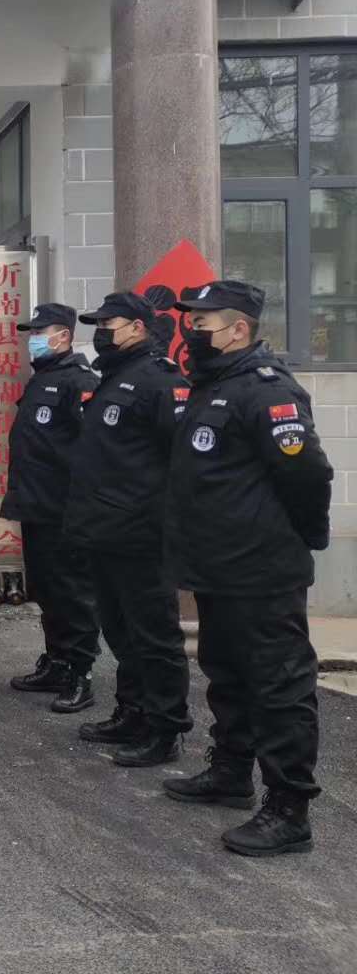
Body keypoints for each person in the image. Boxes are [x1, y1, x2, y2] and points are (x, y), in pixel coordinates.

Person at [162, 281, 332, 857]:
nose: (191, 333)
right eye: (190, 323)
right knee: (228, 673)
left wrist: (305, 536)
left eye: (202, 324)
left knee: (279, 686)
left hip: (261, 568)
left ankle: (289, 809)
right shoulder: (213, 385)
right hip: (218, 565)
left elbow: (308, 474)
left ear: (238, 330)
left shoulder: (267, 390)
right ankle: (231, 771)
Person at [64, 292, 193, 766]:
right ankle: (133, 711)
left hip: (142, 534)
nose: (101, 333)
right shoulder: (114, 378)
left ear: (138, 327)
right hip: (106, 531)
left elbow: (182, 460)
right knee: (120, 630)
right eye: (98, 325)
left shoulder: (160, 381)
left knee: (154, 635)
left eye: (108, 324)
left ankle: (165, 728)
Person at [2, 303, 102, 713]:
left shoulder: (79, 381)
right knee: (46, 590)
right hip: (37, 505)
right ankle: (57, 662)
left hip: (65, 508)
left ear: (63, 336)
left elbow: (93, 449)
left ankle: (81, 672)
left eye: (40, 333)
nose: (33, 340)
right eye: (32, 334)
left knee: (72, 592)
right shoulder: (42, 379)